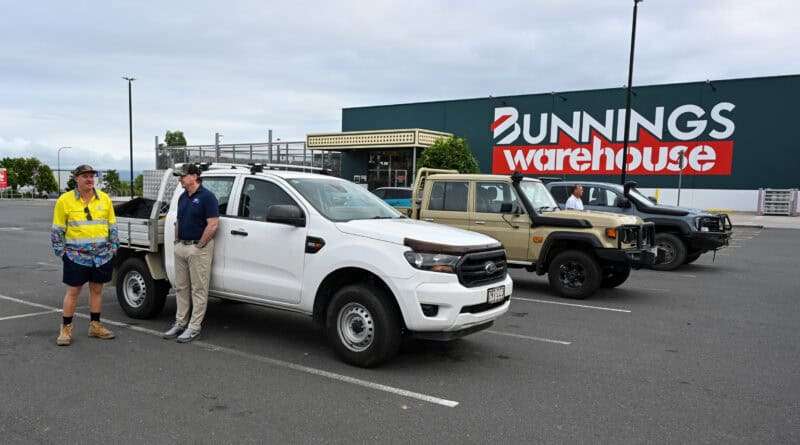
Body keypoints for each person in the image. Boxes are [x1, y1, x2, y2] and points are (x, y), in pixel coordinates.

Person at [52, 165, 118, 346]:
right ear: (77, 179)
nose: (89, 179)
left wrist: (113, 248)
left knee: (97, 290)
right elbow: (57, 230)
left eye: (91, 176)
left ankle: (95, 325)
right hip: (76, 256)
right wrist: (62, 253)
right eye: (85, 176)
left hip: (101, 256)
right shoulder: (65, 200)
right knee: (73, 292)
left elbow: (112, 226)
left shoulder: (104, 199)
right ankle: (66, 329)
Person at [162, 164, 219, 343]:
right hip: (181, 246)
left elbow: (213, 224)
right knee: (181, 288)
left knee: (198, 289)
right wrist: (177, 242)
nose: (180, 179)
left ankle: (194, 327)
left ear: (194, 176)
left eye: (183, 176)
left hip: (198, 248)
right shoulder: (182, 197)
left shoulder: (207, 197)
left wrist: (199, 245)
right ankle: (180, 323)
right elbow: (178, 221)